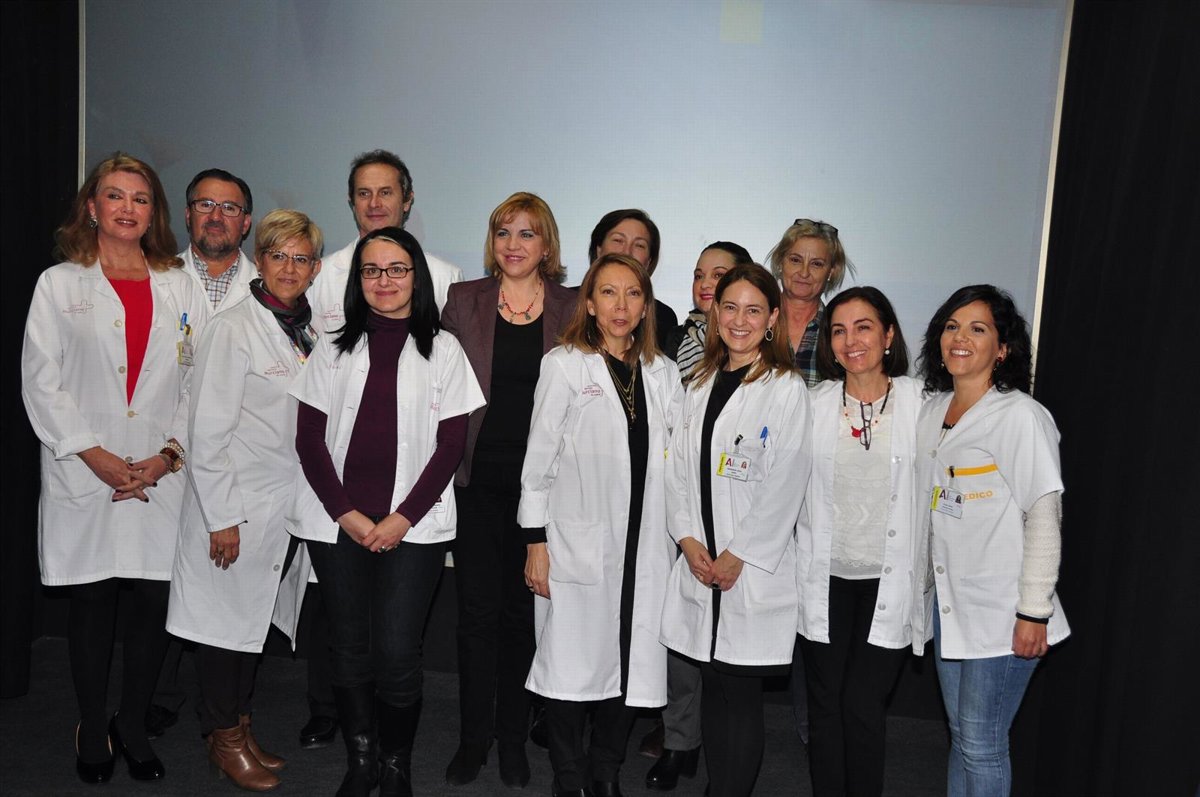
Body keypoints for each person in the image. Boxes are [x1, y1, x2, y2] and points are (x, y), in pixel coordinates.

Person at [21, 152, 210, 784]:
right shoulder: (59, 284)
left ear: (154, 213)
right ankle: (92, 723)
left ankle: (133, 722)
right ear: (92, 207)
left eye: (141, 198)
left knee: (154, 601)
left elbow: (198, 382)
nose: (128, 207)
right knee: (94, 600)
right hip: (85, 467)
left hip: (160, 472)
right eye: (115, 195)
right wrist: (94, 454)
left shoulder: (180, 283)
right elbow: (41, 381)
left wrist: (166, 457)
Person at [288, 227, 484, 797]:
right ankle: (362, 762)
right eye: (372, 270)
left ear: (416, 278)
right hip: (338, 523)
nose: (384, 280)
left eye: (397, 269)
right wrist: (347, 514)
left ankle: (396, 764)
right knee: (348, 646)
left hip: (413, 527)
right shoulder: (331, 346)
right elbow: (309, 438)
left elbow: (451, 446)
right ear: (358, 280)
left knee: (398, 652)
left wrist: (402, 518)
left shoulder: (445, 350)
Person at [165, 209, 325, 791]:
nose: (290, 268)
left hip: (279, 510)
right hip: (233, 507)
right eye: (278, 255)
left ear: (315, 268)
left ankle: (241, 726)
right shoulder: (232, 328)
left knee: (248, 625)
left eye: (301, 258)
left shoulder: (307, 331)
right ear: (260, 260)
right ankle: (223, 738)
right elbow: (207, 432)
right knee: (221, 630)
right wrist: (223, 518)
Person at [518, 253, 678, 797]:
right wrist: (535, 542)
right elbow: (537, 463)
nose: (620, 305)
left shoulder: (663, 373)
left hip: (646, 546)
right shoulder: (565, 365)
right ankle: (569, 776)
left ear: (646, 305)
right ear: (588, 303)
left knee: (630, 666)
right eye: (608, 292)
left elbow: (675, 461)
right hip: (575, 541)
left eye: (633, 293)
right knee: (570, 665)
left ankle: (605, 771)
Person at [439, 192, 577, 789]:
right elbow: (441, 387)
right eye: (503, 232)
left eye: (526, 233)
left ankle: (513, 738)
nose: (513, 244)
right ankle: (474, 739)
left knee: (523, 614)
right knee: (475, 614)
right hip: (475, 482)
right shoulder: (463, 300)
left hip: (541, 489)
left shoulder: (573, 306)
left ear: (546, 245)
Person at [660, 264, 811, 797]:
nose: (739, 320)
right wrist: (688, 539)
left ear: (772, 319)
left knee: (740, 695)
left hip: (750, 571)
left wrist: (739, 553)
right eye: (729, 307)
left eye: (753, 310)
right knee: (713, 683)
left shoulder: (786, 389)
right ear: (714, 313)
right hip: (700, 563)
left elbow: (787, 482)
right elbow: (675, 470)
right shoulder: (698, 384)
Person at [913, 285, 1068, 797]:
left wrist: (1034, 612)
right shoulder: (932, 410)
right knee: (963, 739)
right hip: (950, 607)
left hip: (1003, 612)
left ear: (1002, 348)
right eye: (952, 326)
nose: (960, 338)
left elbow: (1044, 515)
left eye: (978, 329)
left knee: (982, 744)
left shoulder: (1020, 415)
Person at [795, 287, 923, 797]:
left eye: (864, 327)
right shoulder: (813, 405)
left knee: (863, 704)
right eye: (839, 330)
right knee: (825, 706)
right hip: (825, 577)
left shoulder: (921, 404)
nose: (852, 341)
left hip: (887, 579)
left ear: (888, 335)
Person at [149, 167, 259, 741]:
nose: (217, 216)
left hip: (237, 462)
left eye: (230, 207)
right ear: (188, 213)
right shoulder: (157, 279)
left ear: (247, 222)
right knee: (165, 582)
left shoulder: (268, 288)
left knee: (222, 585)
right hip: (159, 457)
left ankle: (226, 713)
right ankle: (158, 694)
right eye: (205, 205)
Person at [645, 240, 752, 791]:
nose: (707, 284)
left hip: (737, 521)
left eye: (720, 275)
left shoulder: (759, 361)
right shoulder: (670, 339)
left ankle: (722, 759)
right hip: (678, 511)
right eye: (698, 274)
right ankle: (680, 741)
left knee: (730, 654)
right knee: (683, 638)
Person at [309, 149, 463, 335]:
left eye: (385, 193)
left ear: (407, 201)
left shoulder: (446, 278)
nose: (374, 203)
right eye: (364, 193)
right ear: (352, 202)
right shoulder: (319, 276)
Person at [765, 218, 853, 388]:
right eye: (795, 260)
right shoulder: (754, 322)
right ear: (781, 262)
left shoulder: (840, 331)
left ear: (831, 272)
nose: (804, 273)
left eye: (816, 264)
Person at [588, 209, 677, 355]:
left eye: (639, 245)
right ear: (598, 250)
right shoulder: (566, 303)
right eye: (618, 240)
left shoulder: (662, 317)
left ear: (649, 261)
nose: (627, 251)